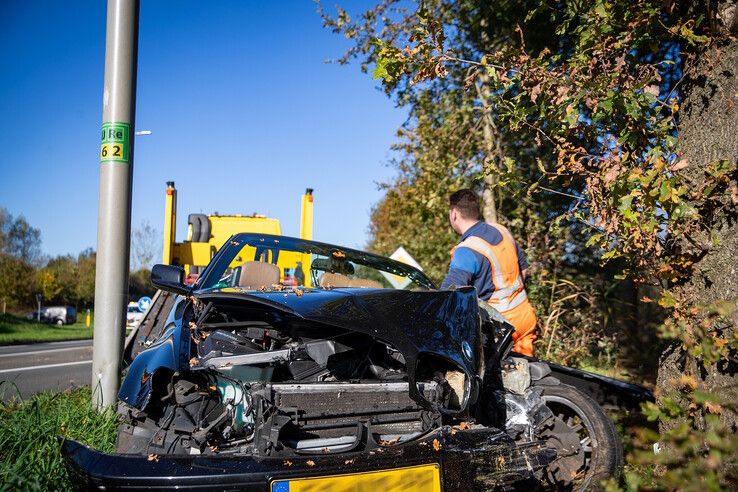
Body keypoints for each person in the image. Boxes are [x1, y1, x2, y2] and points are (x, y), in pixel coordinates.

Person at [441, 189, 537, 356]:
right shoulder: (501, 230)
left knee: (497, 379)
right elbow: (525, 270)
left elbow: (449, 296)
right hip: (524, 317)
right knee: (530, 375)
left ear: (454, 213)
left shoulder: (467, 249)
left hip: (499, 330)